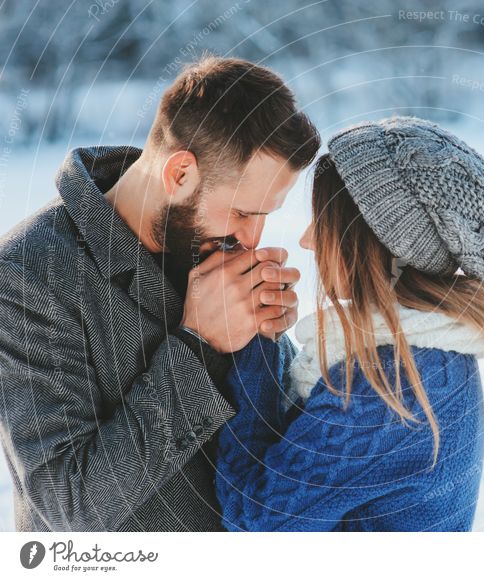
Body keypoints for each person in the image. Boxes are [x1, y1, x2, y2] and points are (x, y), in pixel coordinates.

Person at [0, 55, 320, 531]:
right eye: (243, 213)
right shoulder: (28, 275)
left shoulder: (209, 243)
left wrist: (269, 348)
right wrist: (197, 344)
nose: (252, 238)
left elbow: (272, 442)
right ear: (180, 174)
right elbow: (68, 507)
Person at [215, 116, 484, 531]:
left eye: (322, 222)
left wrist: (251, 347)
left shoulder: (390, 381)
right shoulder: (428, 353)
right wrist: (267, 339)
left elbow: (259, 520)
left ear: (375, 241)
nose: (308, 240)